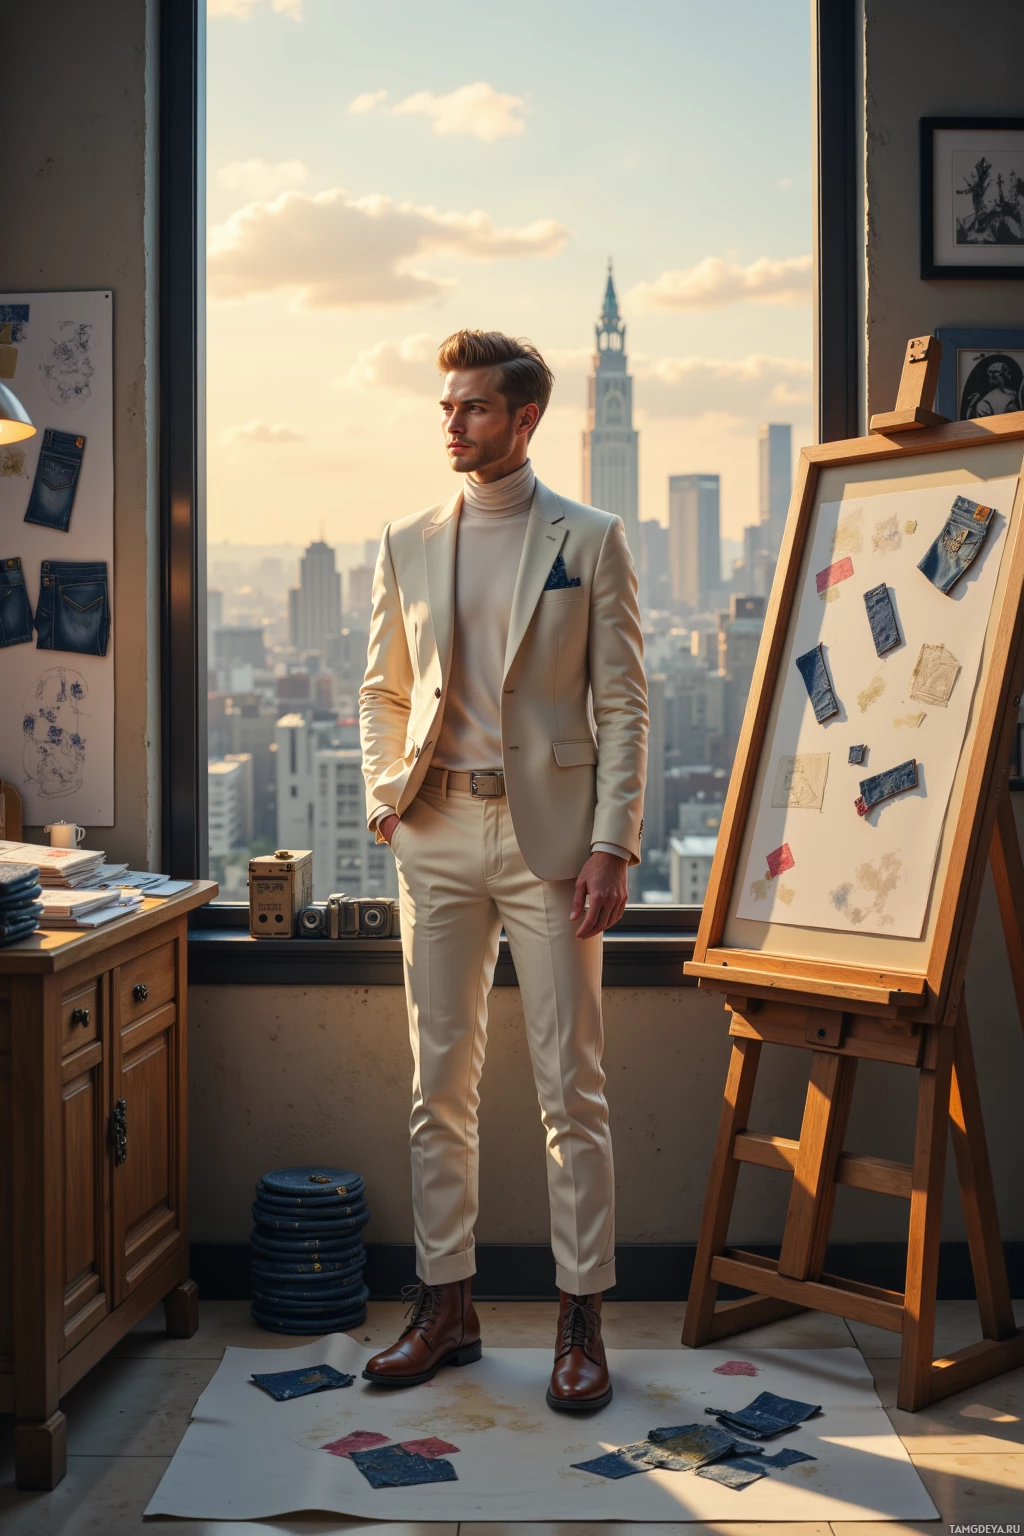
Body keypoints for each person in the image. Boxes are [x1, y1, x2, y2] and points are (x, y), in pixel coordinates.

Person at [358, 329, 647, 1412]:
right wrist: (387, 791)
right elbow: (381, 687)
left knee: (571, 1088)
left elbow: (621, 701)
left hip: (556, 844)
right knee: (441, 1085)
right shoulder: (408, 538)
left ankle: (582, 1320)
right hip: (433, 832)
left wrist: (612, 842)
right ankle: (447, 1305)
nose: (451, 423)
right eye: (446, 406)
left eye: (473, 408)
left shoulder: (589, 536)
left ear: (523, 420)